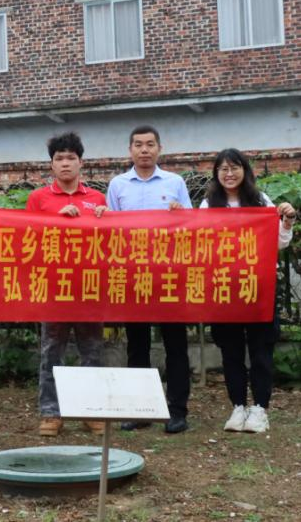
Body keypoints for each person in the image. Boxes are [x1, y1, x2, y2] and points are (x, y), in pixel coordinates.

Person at [200, 148, 295, 434]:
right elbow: (198, 241)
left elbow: (279, 243)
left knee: (261, 349)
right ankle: (238, 406)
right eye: (223, 169)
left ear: (245, 170)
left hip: (257, 286)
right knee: (230, 351)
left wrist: (287, 221)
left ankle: (260, 408)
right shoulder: (209, 204)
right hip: (224, 288)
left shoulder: (260, 201)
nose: (229, 174)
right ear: (216, 174)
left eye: (235, 167)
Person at [106, 125, 193, 434]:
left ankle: (177, 411)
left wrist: (180, 213)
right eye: (138, 145)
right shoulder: (118, 185)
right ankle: (139, 410)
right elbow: (110, 230)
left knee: (175, 344)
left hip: (169, 275)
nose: (144, 150)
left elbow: (193, 226)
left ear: (159, 149)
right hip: (134, 276)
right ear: (130, 150)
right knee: (137, 345)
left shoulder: (175, 182)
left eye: (150, 144)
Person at [25, 132, 109, 437]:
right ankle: (51, 412)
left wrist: (106, 220)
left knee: (92, 352)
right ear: (51, 165)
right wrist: (56, 221)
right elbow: (26, 240)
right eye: (59, 158)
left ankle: (91, 410)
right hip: (53, 287)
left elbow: (109, 243)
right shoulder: (38, 199)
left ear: (81, 163)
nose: (65, 163)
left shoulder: (97, 199)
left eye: (71, 158)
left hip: (88, 286)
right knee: (51, 352)